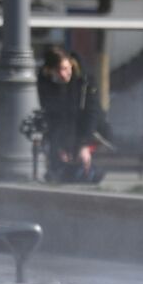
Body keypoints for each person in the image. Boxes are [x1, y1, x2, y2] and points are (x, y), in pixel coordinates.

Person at [36, 46, 105, 184]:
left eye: (65, 68)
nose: (63, 74)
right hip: (62, 138)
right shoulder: (45, 83)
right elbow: (52, 118)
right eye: (57, 70)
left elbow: (91, 113)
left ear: (71, 63)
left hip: (88, 133)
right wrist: (59, 146)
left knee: (85, 172)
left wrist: (84, 145)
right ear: (49, 70)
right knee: (60, 175)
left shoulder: (84, 80)